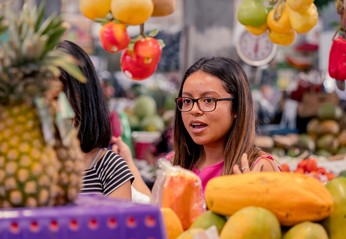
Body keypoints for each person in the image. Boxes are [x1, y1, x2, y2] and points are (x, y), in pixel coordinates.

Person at [56, 40, 151, 200]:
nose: (54, 108)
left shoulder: (109, 168)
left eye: (60, 95)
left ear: (85, 96)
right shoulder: (23, 164)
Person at [171, 57, 281, 192]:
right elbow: (150, 206)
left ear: (236, 107)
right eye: (187, 101)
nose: (194, 110)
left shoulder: (259, 169)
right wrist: (135, 171)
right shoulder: (174, 163)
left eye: (209, 100)